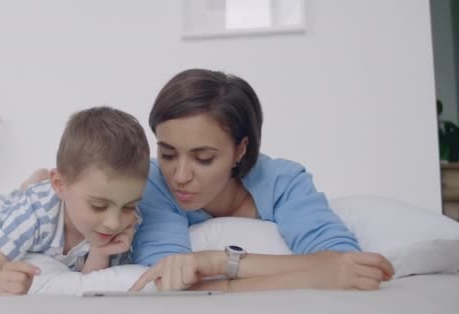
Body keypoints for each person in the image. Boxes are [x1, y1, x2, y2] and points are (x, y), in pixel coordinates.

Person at [129, 69, 394, 292]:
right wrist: (314, 276)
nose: (180, 176)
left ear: (240, 150)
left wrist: (220, 262)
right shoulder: (153, 182)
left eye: (204, 158)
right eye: (167, 154)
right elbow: (168, 282)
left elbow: (347, 263)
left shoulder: (283, 182)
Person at [0, 106, 150, 296]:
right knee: (15, 202)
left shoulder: (130, 223)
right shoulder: (33, 213)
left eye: (129, 206)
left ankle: (37, 182)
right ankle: (30, 185)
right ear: (60, 185)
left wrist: (100, 252)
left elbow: (88, 283)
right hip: (16, 205)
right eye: (98, 206)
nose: (113, 223)